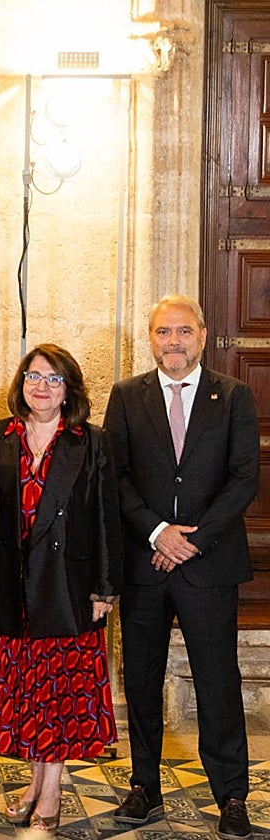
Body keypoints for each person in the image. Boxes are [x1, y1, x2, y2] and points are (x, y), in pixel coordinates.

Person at [103, 295, 259, 839]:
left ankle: (231, 795)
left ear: (203, 336)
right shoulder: (127, 396)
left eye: (183, 331)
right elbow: (115, 475)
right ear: (150, 338)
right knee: (141, 679)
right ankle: (144, 785)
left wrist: (193, 540)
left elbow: (245, 476)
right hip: (145, 563)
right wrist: (157, 532)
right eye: (163, 332)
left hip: (208, 565)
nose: (173, 341)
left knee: (218, 681)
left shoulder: (233, 395)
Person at [0, 343, 122, 834]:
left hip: (68, 587)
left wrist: (104, 588)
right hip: (12, 586)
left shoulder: (91, 441)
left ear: (68, 389)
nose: (42, 386)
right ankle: (36, 783)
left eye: (54, 379)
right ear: (22, 384)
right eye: (34, 376)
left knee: (59, 694)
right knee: (29, 693)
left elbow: (106, 518)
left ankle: (51, 789)